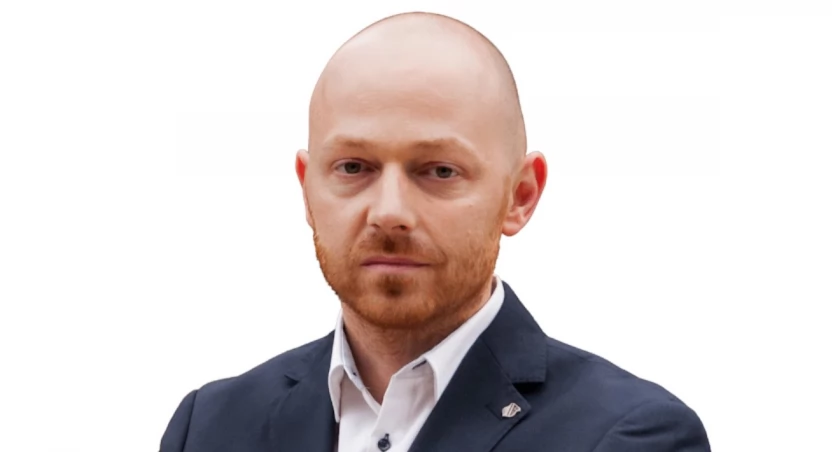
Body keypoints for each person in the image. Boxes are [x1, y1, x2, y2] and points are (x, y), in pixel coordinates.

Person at [160, 11, 710, 452]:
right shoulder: (208, 428)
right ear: (307, 191)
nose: (389, 212)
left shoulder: (627, 436)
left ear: (520, 196)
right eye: (353, 167)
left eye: (439, 171)